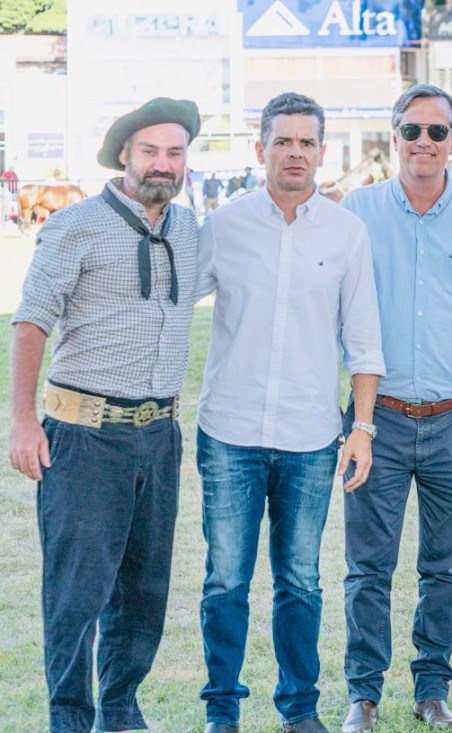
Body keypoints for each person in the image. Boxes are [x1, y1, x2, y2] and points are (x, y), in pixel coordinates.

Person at [8, 97, 201, 733]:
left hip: (160, 436)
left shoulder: (190, 231)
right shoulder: (76, 226)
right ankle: (70, 718)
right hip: (84, 436)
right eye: (150, 151)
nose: (162, 163)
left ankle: (120, 712)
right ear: (124, 156)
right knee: (76, 594)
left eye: (174, 152)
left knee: (144, 592)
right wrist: (23, 421)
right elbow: (32, 320)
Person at [194, 92, 386, 733]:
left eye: (307, 142)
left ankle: (299, 711)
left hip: (310, 436)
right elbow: (166, 300)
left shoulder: (347, 233)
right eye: (283, 141)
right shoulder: (222, 226)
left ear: (322, 152)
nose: (295, 152)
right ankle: (222, 711)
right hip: (229, 431)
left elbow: (364, 342)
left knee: (300, 580)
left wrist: (361, 428)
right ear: (261, 150)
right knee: (225, 579)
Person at [339, 84, 452, 732]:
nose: (424, 142)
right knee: (368, 566)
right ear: (393, 136)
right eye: (412, 130)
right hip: (377, 420)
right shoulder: (355, 213)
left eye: (437, 132)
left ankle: (432, 688)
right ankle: (362, 693)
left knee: (445, 567)